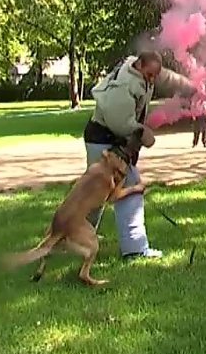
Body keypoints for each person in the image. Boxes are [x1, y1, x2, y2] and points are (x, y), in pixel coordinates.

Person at [82, 50, 197, 259]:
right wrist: (145, 135)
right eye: (150, 75)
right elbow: (122, 125)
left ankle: (78, 236)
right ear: (140, 65)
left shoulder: (142, 68)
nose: (152, 79)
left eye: (155, 75)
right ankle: (134, 248)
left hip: (107, 135)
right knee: (129, 188)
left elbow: (165, 76)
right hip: (105, 136)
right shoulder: (124, 87)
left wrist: (188, 85)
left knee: (95, 191)